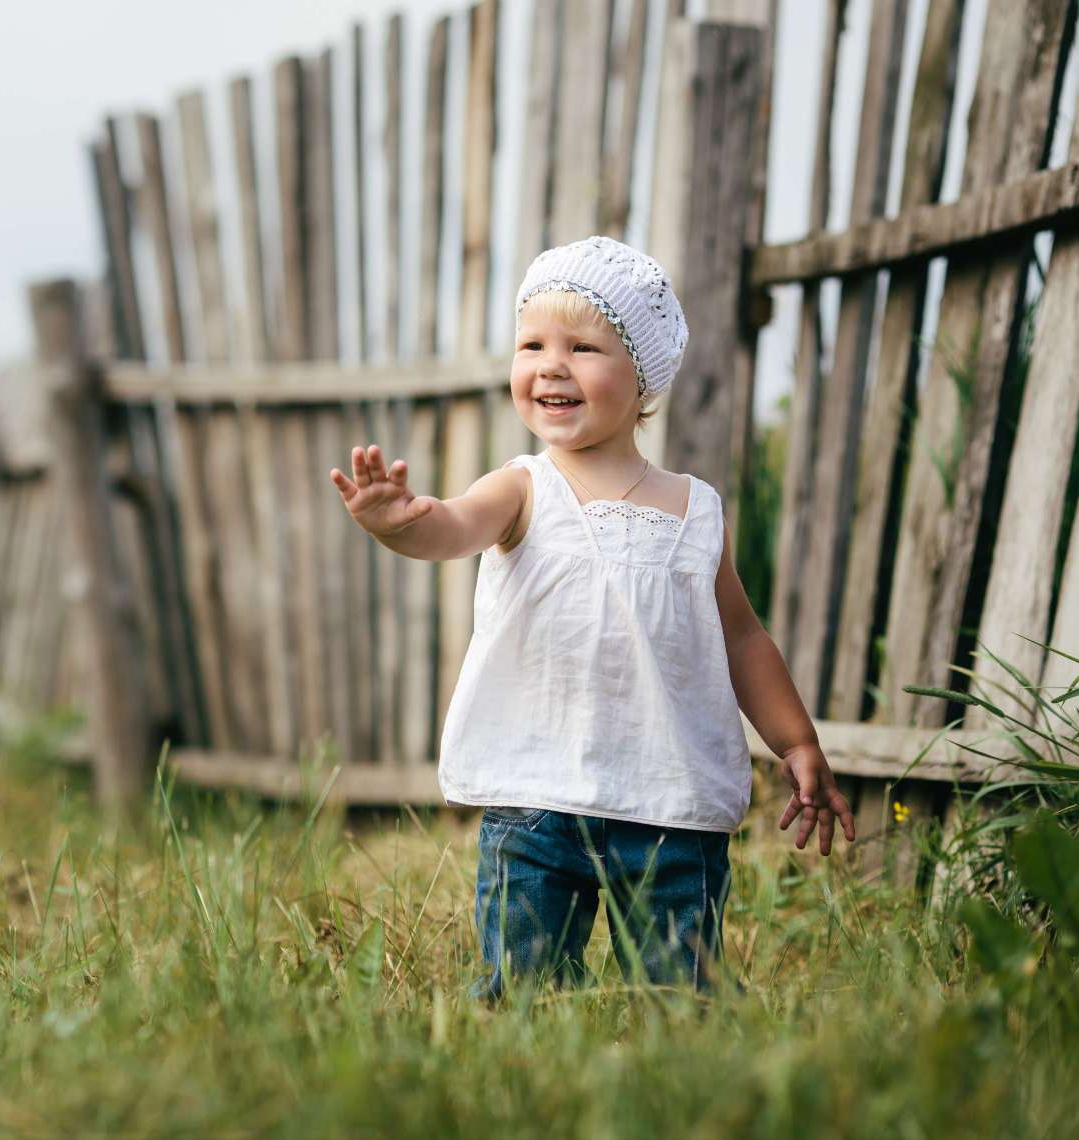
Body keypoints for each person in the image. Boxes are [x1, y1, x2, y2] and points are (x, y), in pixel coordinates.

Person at [327, 234, 855, 999]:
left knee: (681, 998)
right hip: (537, 802)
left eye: (583, 346)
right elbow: (451, 527)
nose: (549, 364)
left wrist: (797, 742)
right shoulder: (522, 488)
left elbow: (741, 637)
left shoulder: (695, 509)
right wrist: (396, 521)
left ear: (643, 378)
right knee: (521, 991)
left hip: (669, 804)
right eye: (532, 343)